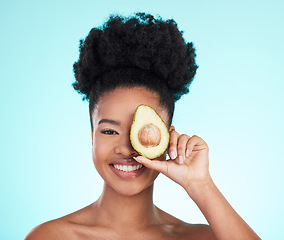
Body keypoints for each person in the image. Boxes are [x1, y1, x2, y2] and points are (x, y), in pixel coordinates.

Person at [25, 12, 260, 240]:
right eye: (109, 131)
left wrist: (200, 184)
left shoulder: (204, 237)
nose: (127, 150)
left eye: (145, 133)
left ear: (169, 139)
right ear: (92, 135)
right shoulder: (50, 236)